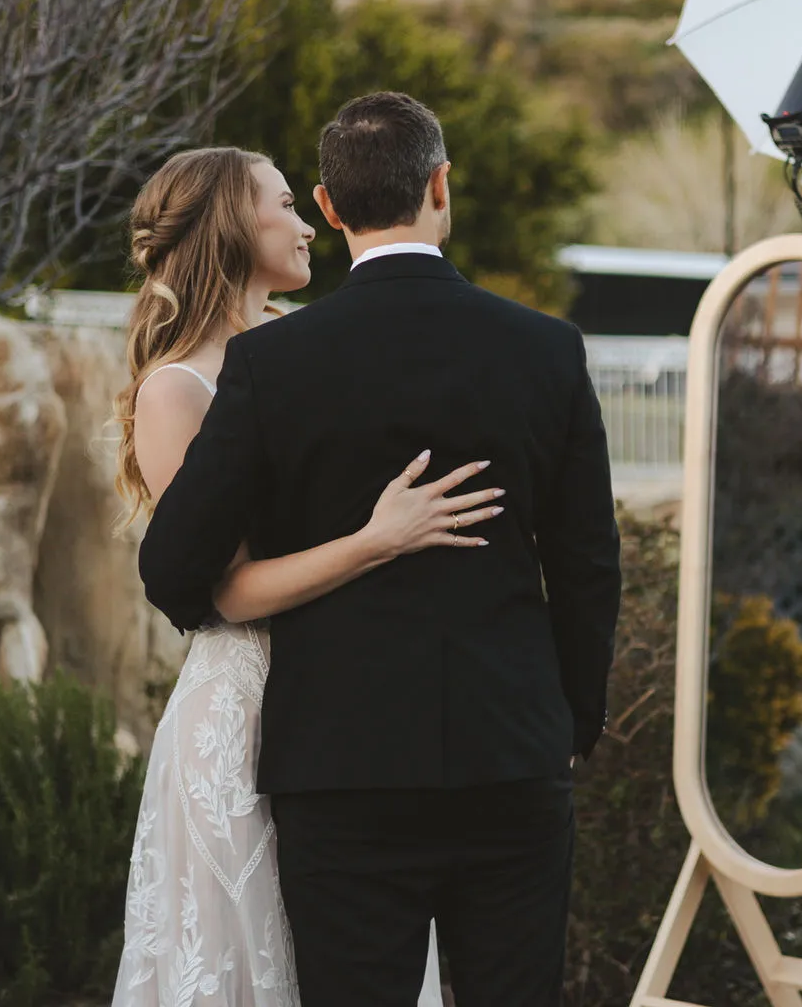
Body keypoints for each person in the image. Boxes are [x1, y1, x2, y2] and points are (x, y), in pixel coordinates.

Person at [139, 92, 622, 1007]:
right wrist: (570, 722)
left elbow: (173, 570)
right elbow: (590, 564)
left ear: (328, 205)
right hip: (512, 754)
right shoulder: (547, 350)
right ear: (441, 186)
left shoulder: (272, 365)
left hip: (339, 768)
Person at [111, 146, 500, 1006]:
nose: (306, 223)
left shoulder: (302, 346)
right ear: (230, 227)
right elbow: (224, 592)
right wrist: (377, 541)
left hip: (349, 701)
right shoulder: (175, 393)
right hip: (243, 715)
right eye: (285, 204)